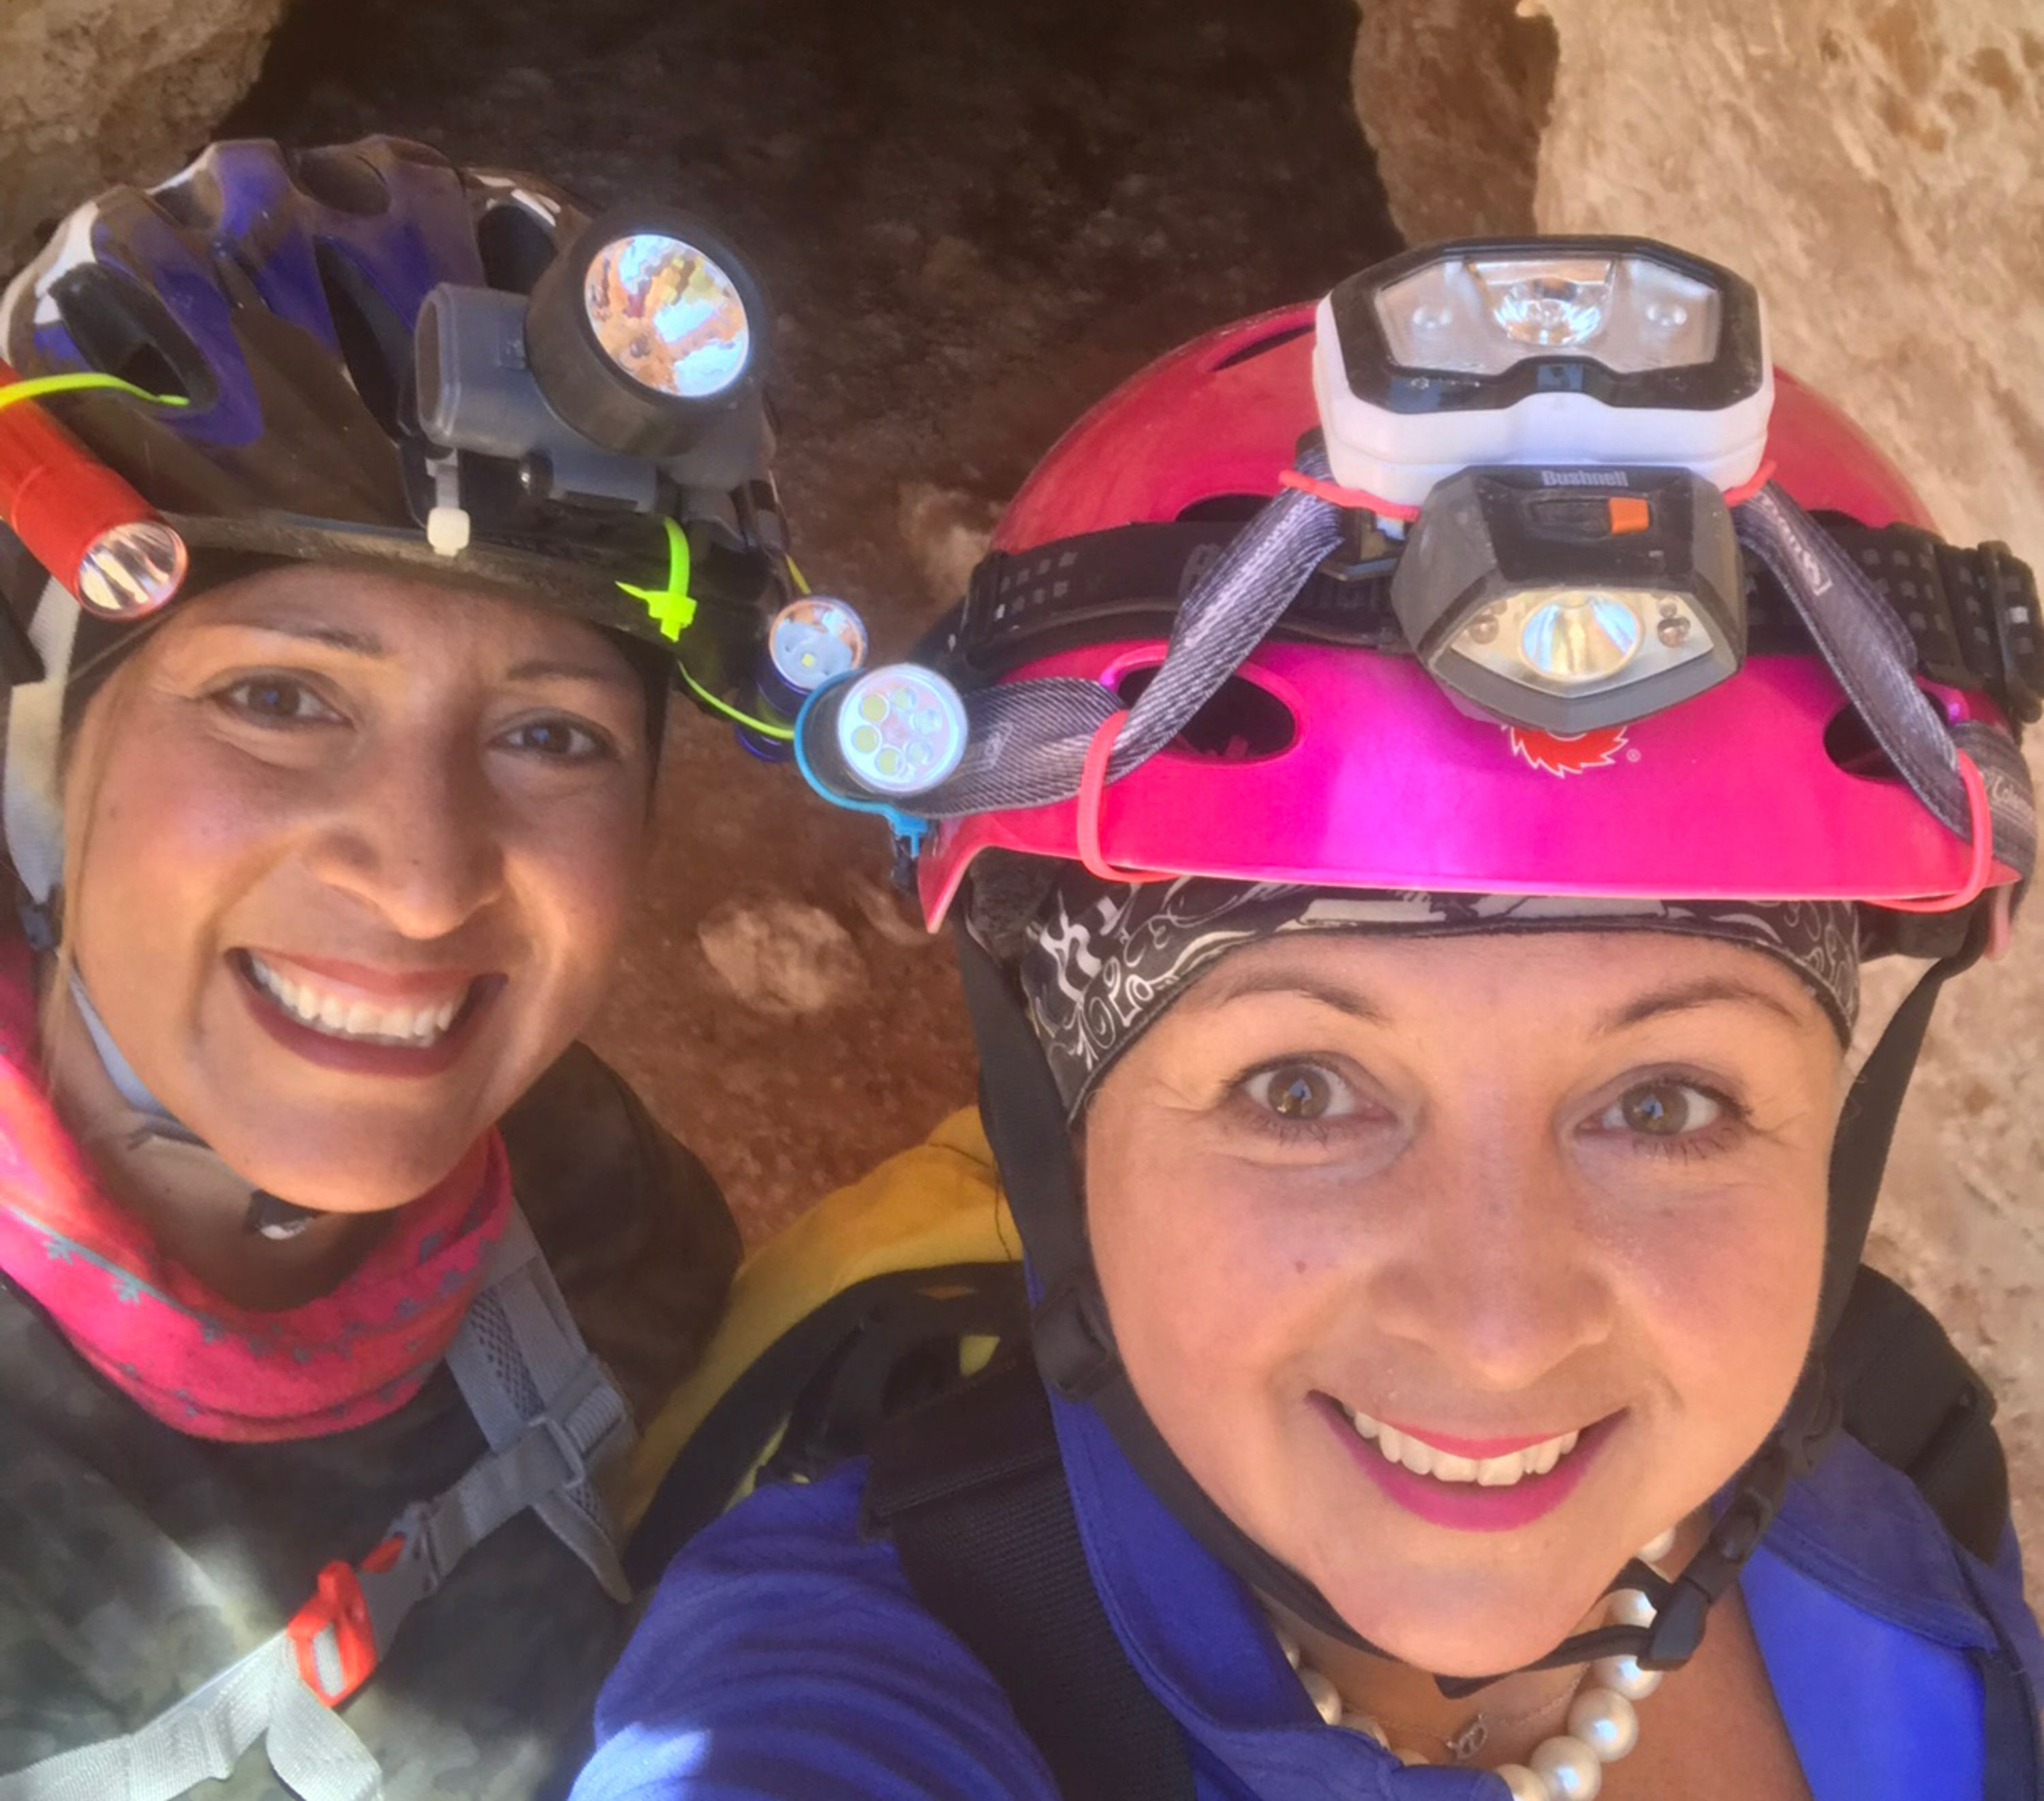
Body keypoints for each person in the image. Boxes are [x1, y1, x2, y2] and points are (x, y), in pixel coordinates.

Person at [578, 240, 2044, 1801]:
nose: (1496, 1331)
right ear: (1064, 1118)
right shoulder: (842, 1679)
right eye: (1300, 1088)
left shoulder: (1893, 1442)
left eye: (1666, 1103)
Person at [0, 136, 808, 1798]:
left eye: (550, 734)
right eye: (278, 699)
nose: (427, 885)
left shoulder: (596, 1206)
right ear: (41, 768)